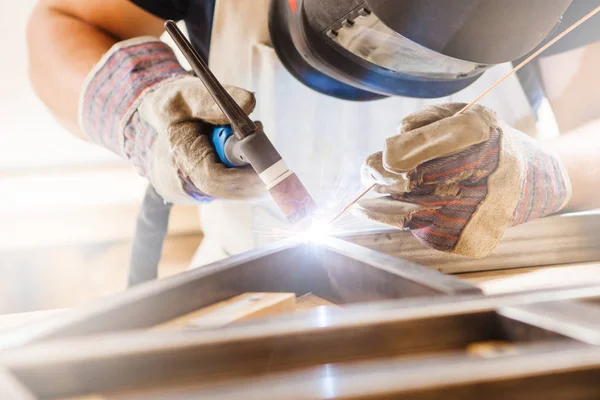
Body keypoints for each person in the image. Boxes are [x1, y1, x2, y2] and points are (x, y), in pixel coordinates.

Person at [27, 0, 600, 266]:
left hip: (485, 287)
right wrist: (136, 107)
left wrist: (537, 175)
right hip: (250, 293)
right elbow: (61, 21)